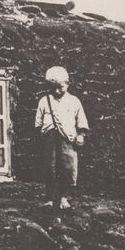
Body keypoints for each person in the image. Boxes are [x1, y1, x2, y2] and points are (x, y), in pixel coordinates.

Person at [35, 66, 89, 210]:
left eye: (61, 87)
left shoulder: (74, 101)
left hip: (67, 140)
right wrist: (43, 136)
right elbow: (38, 123)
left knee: (68, 168)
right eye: (53, 88)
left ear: (67, 84)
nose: (57, 91)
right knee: (50, 168)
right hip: (49, 140)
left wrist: (81, 135)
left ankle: (64, 198)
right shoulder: (44, 101)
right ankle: (49, 199)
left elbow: (82, 122)